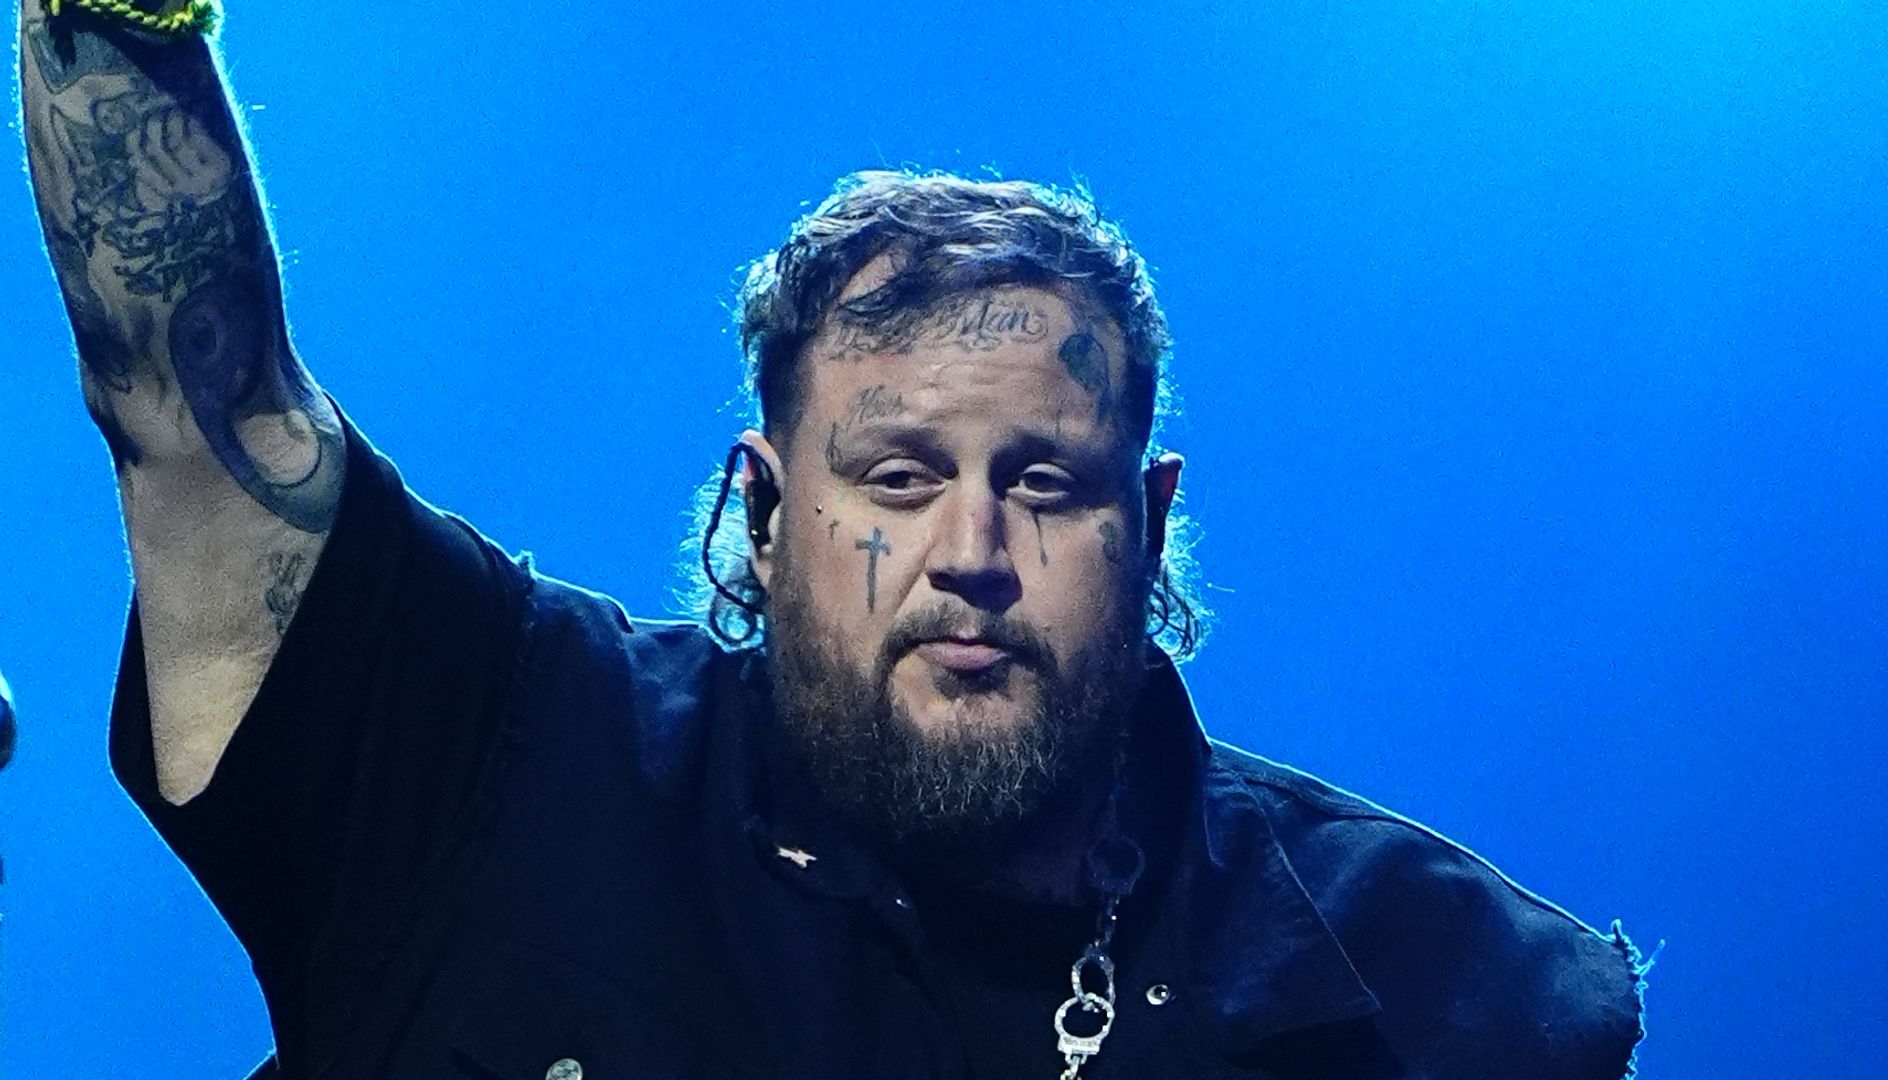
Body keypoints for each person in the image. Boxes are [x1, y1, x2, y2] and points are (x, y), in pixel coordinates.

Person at [20, 3, 1648, 1078]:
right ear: (767, 506)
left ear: (1147, 531)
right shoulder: (503, 748)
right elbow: (198, 404)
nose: (970, 550)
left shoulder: (1435, 990)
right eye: (894, 475)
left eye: (1047, 484)